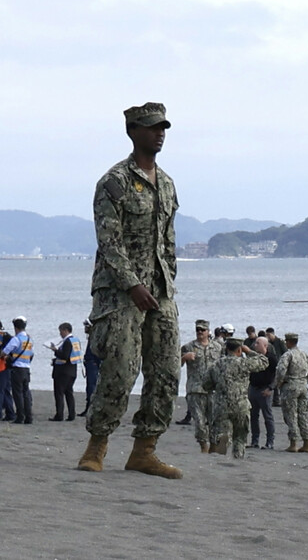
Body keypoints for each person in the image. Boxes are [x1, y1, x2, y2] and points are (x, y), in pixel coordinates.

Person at [77, 102, 183, 479]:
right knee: (121, 369)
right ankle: (97, 445)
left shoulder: (167, 183)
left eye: (163, 127)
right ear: (133, 131)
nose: (160, 133)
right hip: (121, 292)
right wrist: (133, 284)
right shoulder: (115, 181)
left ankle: (144, 450)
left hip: (160, 292)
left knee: (168, 371)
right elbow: (109, 242)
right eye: (153, 127)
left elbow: (168, 241)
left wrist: (167, 278)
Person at [202, 338, 268, 459]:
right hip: (241, 405)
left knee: (221, 433)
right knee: (240, 436)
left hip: (222, 406)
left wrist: (218, 386)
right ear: (239, 350)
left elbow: (206, 384)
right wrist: (248, 351)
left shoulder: (216, 364)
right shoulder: (244, 363)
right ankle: (238, 457)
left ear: (226, 349)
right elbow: (264, 361)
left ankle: (221, 455)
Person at [180, 319, 222, 452]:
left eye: (202, 330)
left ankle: (215, 445)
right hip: (195, 389)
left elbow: (223, 365)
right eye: (197, 329)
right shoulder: (188, 347)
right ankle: (203, 445)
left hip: (213, 390)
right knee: (199, 421)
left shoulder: (217, 347)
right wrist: (184, 358)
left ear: (208, 331)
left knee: (215, 420)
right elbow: (175, 365)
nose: (199, 332)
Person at [274, 333, 308, 453]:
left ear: (288, 342)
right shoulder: (304, 354)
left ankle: (293, 443)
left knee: (291, 414)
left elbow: (281, 370)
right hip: (303, 387)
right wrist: (305, 380)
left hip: (290, 387)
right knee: (303, 414)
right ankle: (307, 442)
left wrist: (279, 383)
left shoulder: (288, 355)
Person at [3, 316, 34, 424]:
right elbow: (31, 354)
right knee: (26, 393)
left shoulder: (16, 339)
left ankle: (20, 416)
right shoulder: (29, 339)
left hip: (17, 368)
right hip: (26, 368)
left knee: (17, 393)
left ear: (15, 328)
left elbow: (5, 352)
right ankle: (29, 417)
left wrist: (7, 357)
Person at [48, 322, 81, 421]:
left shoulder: (67, 342)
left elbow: (65, 356)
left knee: (59, 393)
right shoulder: (76, 340)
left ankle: (59, 415)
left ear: (65, 330)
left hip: (63, 371)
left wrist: (55, 350)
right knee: (69, 393)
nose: (60, 334)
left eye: (61, 331)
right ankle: (71, 414)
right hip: (72, 370)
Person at [248, 336, 277, 449]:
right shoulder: (254, 358)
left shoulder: (271, 358)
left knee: (267, 416)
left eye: (257, 343)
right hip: (253, 388)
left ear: (265, 346)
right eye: (255, 343)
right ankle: (254, 441)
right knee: (253, 416)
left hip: (265, 389)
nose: (255, 345)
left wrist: (271, 388)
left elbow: (277, 375)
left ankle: (270, 442)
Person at [78, 319, 100, 418]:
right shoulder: (92, 337)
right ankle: (89, 407)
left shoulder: (95, 337)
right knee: (90, 386)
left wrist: (95, 362)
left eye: (87, 326)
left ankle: (90, 408)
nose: (85, 328)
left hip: (93, 364)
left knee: (92, 386)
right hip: (90, 363)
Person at [0, 321, 15, 421]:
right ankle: (10, 413)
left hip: (2, 366)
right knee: (5, 390)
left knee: (1, 391)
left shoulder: (3, 337)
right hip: (7, 366)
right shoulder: (8, 336)